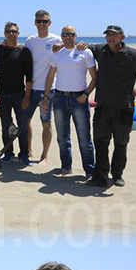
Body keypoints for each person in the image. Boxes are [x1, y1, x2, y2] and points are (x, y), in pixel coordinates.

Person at [86, 25, 136, 188]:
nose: (110, 38)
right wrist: (64, 44)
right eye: (108, 35)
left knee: (121, 143)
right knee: (100, 142)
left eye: (114, 35)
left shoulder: (133, 55)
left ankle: (117, 174)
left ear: (122, 37)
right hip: (103, 107)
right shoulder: (100, 50)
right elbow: (81, 46)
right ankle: (100, 175)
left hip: (124, 108)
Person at [42, 25, 96, 178]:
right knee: (62, 136)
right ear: (61, 36)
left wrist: (86, 94)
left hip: (79, 98)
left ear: (75, 36)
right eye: (64, 34)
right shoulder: (57, 54)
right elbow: (50, 77)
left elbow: (94, 77)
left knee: (84, 137)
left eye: (70, 34)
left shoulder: (85, 52)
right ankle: (66, 167)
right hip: (59, 98)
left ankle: (90, 171)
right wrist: (46, 97)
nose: (67, 37)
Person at [25, 10, 62, 164]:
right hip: (31, 89)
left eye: (44, 21)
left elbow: (72, 46)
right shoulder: (30, 41)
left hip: (48, 90)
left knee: (46, 123)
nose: (41, 24)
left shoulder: (57, 40)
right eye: (39, 21)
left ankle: (44, 155)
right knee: (25, 121)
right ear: (35, 23)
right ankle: (28, 151)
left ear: (50, 23)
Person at [0, 22, 32, 165]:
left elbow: (29, 76)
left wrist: (27, 96)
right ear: (5, 33)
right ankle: (8, 153)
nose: (11, 34)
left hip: (20, 94)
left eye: (14, 31)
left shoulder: (24, 52)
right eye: (8, 31)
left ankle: (24, 154)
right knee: (6, 126)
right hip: (3, 94)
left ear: (18, 33)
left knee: (22, 126)